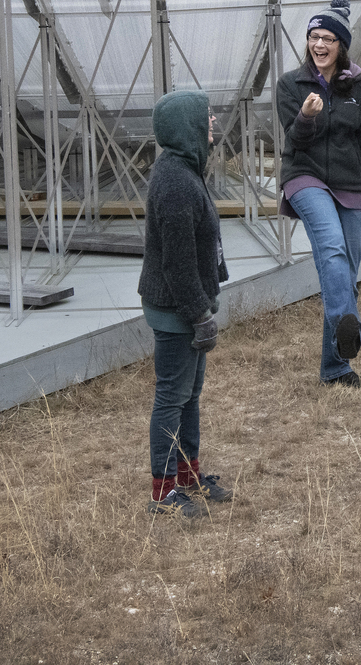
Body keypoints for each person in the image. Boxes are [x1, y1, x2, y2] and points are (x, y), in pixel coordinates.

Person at [276, 0, 361, 388]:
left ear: (341, 45)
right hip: (305, 177)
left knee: (344, 273)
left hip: (350, 183)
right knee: (333, 247)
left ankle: (335, 368)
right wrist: (306, 117)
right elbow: (293, 141)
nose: (319, 45)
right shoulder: (291, 84)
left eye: (328, 39)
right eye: (313, 37)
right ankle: (347, 330)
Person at [139, 90, 231, 518]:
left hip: (189, 308)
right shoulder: (175, 183)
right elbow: (177, 265)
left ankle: (188, 474)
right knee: (172, 397)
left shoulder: (184, 170)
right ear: (186, 126)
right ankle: (163, 492)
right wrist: (199, 315)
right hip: (176, 312)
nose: (212, 123)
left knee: (189, 395)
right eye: (206, 117)